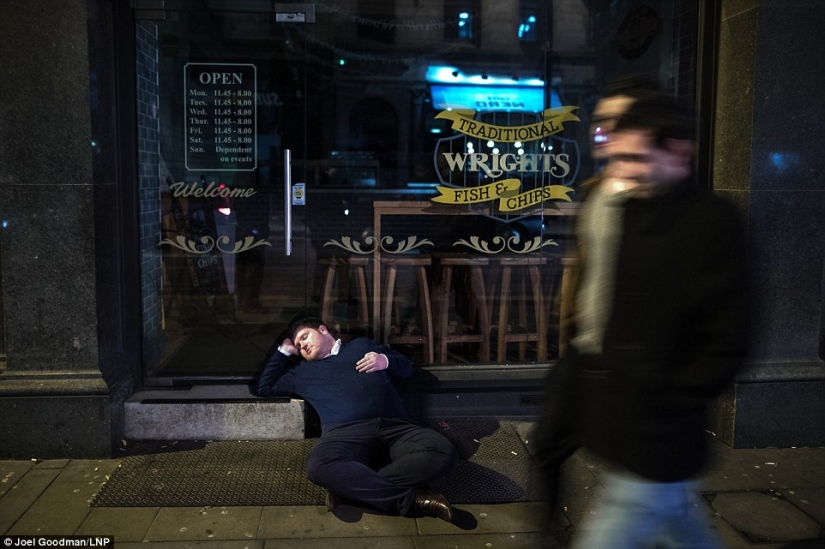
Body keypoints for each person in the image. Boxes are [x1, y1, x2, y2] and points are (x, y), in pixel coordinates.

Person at [551, 92, 750, 549]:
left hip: (661, 429)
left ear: (678, 150)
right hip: (628, 416)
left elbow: (729, 337)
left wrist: (666, 400)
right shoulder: (634, 206)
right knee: (680, 523)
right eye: (617, 157)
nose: (621, 171)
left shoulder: (713, 223)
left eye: (636, 158)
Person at [531, 74, 661, 503]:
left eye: (613, 120)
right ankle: (554, 530)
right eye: (598, 119)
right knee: (548, 444)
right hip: (586, 349)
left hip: (632, 359)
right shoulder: (596, 190)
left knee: (642, 481)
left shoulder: (658, 200)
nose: (599, 129)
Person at [254, 317, 459, 521]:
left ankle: (350, 490)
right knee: (319, 465)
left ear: (323, 330)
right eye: (298, 346)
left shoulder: (362, 345)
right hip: (345, 434)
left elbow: (405, 368)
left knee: (443, 451)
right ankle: (414, 501)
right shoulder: (301, 373)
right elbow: (264, 387)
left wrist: (385, 361)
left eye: (305, 337)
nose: (303, 345)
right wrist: (283, 351)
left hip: (397, 428)